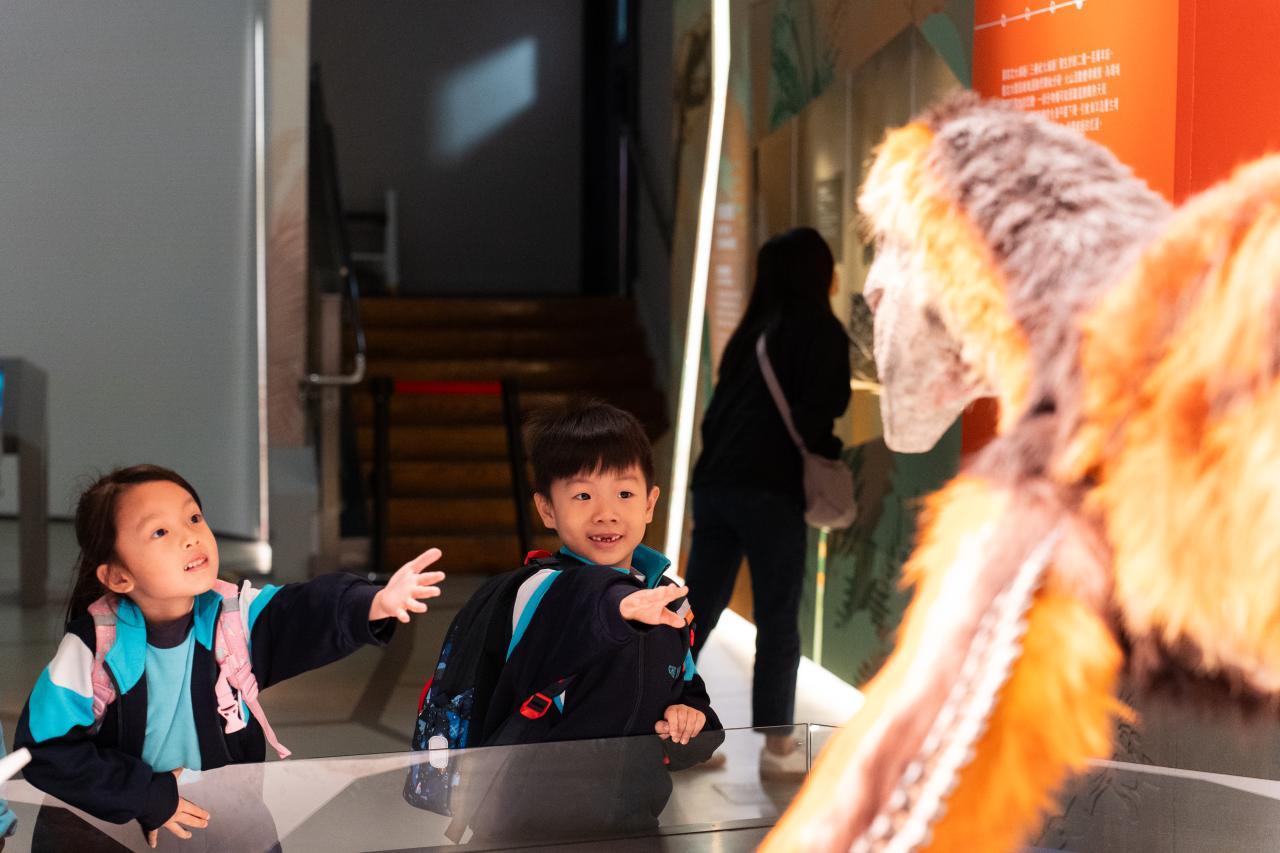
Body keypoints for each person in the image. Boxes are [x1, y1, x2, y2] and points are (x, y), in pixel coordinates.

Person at [14, 464, 445, 848]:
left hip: (220, 823)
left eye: (193, 517)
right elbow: (45, 749)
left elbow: (301, 610)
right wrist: (145, 795)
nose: (190, 536)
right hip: (111, 831)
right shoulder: (94, 647)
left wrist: (371, 603)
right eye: (160, 532)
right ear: (118, 576)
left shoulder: (234, 618)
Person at [686, 227, 851, 777]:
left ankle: (662, 729)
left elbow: (715, 418)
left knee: (694, 613)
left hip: (715, 483)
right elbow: (822, 411)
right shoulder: (819, 331)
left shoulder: (751, 332)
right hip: (770, 489)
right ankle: (779, 748)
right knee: (777, 618)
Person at [477, 401, 720, 747]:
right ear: (547, 509)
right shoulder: (539, 589)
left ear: (649, 504)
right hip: (542, 782)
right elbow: (584, 600)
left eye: (624, 493)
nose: (606, 513)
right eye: (583, 495)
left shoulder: (669, 603)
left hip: (637, 782)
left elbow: (690, 690)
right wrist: (620, 606)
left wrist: (690, 718)